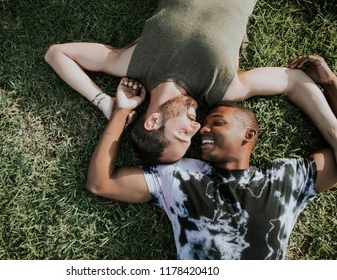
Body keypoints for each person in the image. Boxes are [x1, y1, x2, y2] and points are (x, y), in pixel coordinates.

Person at [45, 0, 337, 164]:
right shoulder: (223, 88)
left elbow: (57, 54)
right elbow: (295, 81)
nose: (197, 128)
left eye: (183, 135)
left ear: (152, 121)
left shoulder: (132, 63)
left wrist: (107, 104)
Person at [86, 77, 337, 259]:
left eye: (217, 123)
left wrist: (330, 84)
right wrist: (122, 111)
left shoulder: (285, 179)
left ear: (248, 135)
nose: (203, 129)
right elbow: (101, 183)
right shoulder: (179, 175)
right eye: (203, 124)